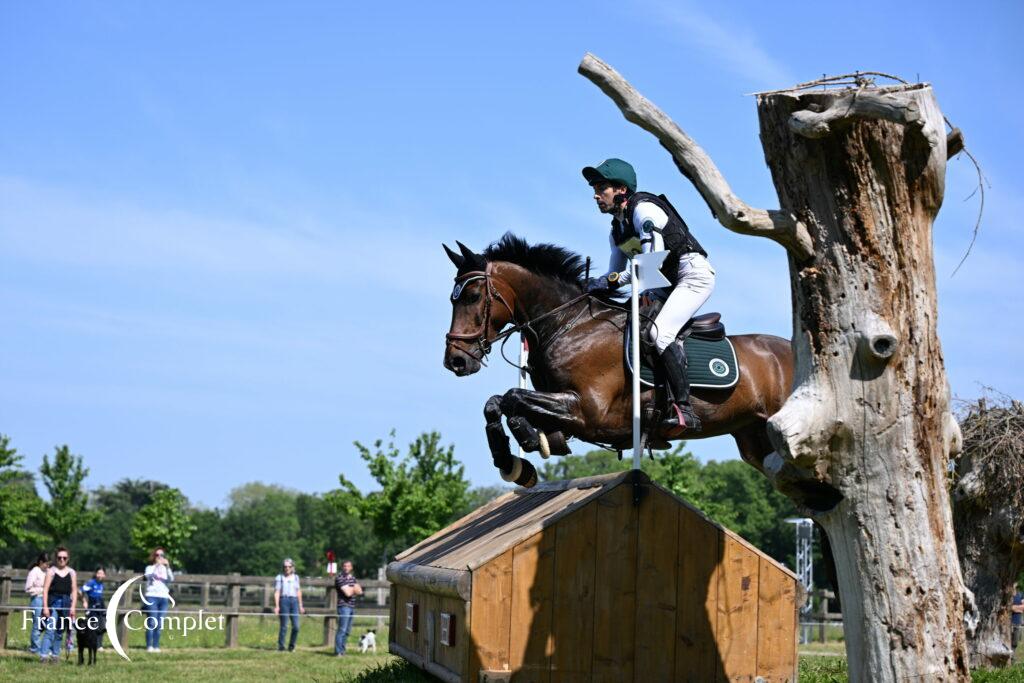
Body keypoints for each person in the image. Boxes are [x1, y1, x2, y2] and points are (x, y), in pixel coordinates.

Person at [582, 158, 714, 430]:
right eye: (594, 188)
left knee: (659, 333)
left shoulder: (644, 210)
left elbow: (648, 264)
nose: (595, 195)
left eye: (601, 188)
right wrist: (591, 286)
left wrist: (612, 281)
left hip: (691, 275)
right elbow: (615, 275)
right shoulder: (617, 230)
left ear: (620, 190)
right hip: (662, 283)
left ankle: (685, 410)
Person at [39, 546, 76, 663]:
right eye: (59, 557)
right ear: (56, 558)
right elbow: (45, 590)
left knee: (60, 631)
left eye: (64, 558)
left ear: (68, 559)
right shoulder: (51, 571)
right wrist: (45, 607)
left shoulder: (72, 573)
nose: (62, 560)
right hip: (53, 603)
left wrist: (73, 607)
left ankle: (55, 656)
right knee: (50, 630)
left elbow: (74, 590)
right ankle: (44, 656)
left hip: (66, 603)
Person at [143, 547, 174, 653]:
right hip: (152, 596)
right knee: (152, 622)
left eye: (162, 555)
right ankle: (149, 646)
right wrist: (157, 565)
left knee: (159, 623)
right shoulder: (149, 567)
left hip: (164, 597)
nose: (160, 557)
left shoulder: (166, 569)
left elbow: (171, 579)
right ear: (154, 556)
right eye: (157, 555)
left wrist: (168, 566)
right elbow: (147, 576)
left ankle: (156, 646)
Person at [273, 558, 305, 652]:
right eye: (285, 566)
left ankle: (291, 646)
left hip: (294, 601)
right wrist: (277, 606)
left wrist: (300, 605)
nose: (287, 568)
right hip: (284, 600)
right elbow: (277, 592)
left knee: (296, 626)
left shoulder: (296, 577)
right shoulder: (279, 577)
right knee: (284, 625)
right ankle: (281, 646)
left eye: (289, 566)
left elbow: (298, 591)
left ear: (292, 567)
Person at [333, 560, 362, 656]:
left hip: (352, 606)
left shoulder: (353, 578)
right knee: (342, 629)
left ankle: (342, 650)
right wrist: (353, 588)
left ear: (351, 568)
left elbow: (360, 591)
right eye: (344, 566)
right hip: (343, 606)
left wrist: (351, 588)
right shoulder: (339, 578)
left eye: (348, 566)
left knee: (348, 630)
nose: (346, 568)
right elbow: (348, 593)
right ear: (342, 567)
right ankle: (338, 651)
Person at [24, 552, 49, 654]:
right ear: (40, 562)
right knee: (37, 624)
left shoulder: (46, 572)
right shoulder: (34, 571)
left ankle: (42, 645)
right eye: (46, 564)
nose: (48, 566)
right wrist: (43, 590)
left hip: (46, 600)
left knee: (46, 623)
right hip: (37, 600)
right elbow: (28, 588)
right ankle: (35, 647)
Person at [80, 567, 106, 649]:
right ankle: (91, 644)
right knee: (92, 626)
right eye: (98, 573)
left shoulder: (101, 584)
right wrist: (84, 601)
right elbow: (80, 591)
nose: (100, 575)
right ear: (95, 574)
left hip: (100, 607)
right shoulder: (91, 583)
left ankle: (99, 645)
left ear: (104, 575)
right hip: (92, 607)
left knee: (101, 625)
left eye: (102, 573)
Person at [1012, 584, 1023, 655]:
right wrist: (1018, 608)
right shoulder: (1006, 594)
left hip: (1017, 622)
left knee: (1015, 643)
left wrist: (1013, 608)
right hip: (1007, 623)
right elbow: (1007, 607)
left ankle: (1012, 659)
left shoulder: (1020, 594)